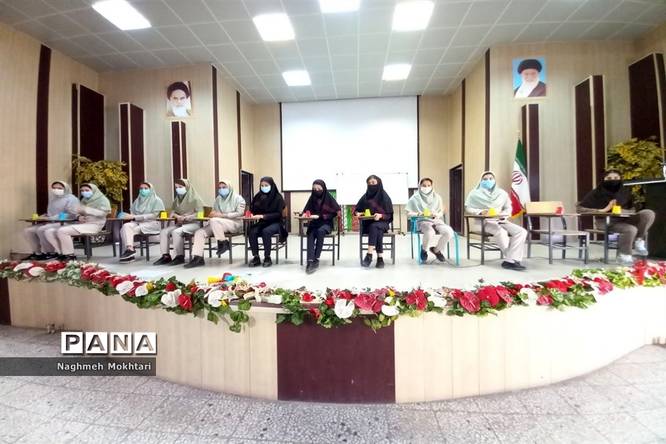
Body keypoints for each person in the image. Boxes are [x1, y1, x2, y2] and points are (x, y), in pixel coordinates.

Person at [578, 169, 655, 265]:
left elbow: (633, 209)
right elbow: (580, 209)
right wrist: (604, 209)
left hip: (625, 219)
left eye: (616, 178)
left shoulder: (625, 192)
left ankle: (639, 240)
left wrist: (623, 211)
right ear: (603, 179)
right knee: (630, 229)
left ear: (620, 179)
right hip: (605, 221)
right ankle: (624, 255)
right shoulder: (596, 193)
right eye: (609, 178)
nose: (613, 180)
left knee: (648, 213)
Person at [465, 171, 527, 270]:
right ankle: (511, 260)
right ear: (481, 181)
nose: (488, 181)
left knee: (521, 231)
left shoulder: (502, 193)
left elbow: (508, 208)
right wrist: (480, 212)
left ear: (494, 180)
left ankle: (510, 259)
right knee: (501, 231)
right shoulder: (474, 194)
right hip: (483, 222)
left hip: (501, 219)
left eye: (491, 179)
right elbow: (468, 208)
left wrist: (504, 214)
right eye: (485, 179)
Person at [185, 179, 246, 268]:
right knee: (199, 232)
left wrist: (222, 215)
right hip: (217, 224)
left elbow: (240, 213)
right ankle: (198, 258)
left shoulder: (238, 198)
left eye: (224, 187)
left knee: (214, 221)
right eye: (220, 188)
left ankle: (223, 242)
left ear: (230, 188)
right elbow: (213, 212)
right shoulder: (218, 199)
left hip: (234, 223)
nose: (221, 189)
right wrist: (212, 214)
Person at [44, 183, 111, 261]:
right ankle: (61, 253)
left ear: (94, 190)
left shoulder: (103, 200)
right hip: (81, 224)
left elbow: (104, 213)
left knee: (62, 231)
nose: (84, 192)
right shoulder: (84, 200)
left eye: (87, 190)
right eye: (82, 190)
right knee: (49, 232)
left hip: (94, 225)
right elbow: (77, 212)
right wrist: (79, 217)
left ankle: (70, 255)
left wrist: (87, 210)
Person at [153, 179, 204, 266]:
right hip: (181, 223)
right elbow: (172, 213)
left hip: (194, 224)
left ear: (187, 187)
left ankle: (179, 256)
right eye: (176, 187)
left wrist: (188, 217)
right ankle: (166, 256)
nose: (178, 189)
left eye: (180, 187)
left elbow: (200, 213)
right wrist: (178, 216)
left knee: (176, 232)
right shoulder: (177, 200)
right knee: (164, 232)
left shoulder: (196, 199)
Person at [24, 180, 79, 260]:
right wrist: (42, 217)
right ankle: (37, 253)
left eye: (59, 188)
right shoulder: (53, 198)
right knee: (28, 230)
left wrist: (52, 218)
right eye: (54, 188)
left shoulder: (72, 199)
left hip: (67, 222)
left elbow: (72, 214)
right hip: (52, 222)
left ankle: (50, 252)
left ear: (66, 188)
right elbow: (51, 213)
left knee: (41, 229)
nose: (56, 190)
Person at [406, 178, 454, 263]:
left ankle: (436, 250)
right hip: (422, 221)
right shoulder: (414, 198)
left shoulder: (437, 197)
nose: (426, 187)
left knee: (449, 232)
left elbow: (441, 212)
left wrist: (437, 214)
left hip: (436, 221)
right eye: (424, 185)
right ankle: (424, 250)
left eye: (429, 185)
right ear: (420, 186)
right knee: (430, 232)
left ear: (432, 186)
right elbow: (408, 213)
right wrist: (419, 214)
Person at [118, 182, 165, 263]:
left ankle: (129, 254)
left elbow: (154, 215)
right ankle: (130, 249)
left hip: (151, 223)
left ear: (151, 189)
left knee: (128, 230)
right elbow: (133, 213)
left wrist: (135, 217)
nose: (143, 190)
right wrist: (127, 216)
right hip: (137, 222)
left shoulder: (157, 200)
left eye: (146, 188)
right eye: (141, 188)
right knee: (125, 226)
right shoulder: (137, 201)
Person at [301, 179, 341, 274]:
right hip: (314, 223)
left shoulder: (329, 198)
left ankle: (316, 258)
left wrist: (321, 216)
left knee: (320, 231)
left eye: (319, 188)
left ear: (323, 188)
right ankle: (310, 261)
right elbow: (306, 210)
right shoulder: (312, 198)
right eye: (314, 189)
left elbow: (335, 213)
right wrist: (304, 214)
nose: (316, 190)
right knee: (310, 233)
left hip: (326, 224)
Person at [247, 177, 287, 268]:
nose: (264, 187)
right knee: (252, 231)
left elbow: (278, 214)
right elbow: (253, 209)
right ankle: (256, 256)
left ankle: (267, 257)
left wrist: (263, 216)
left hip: (276, 222)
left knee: (266, 231)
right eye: (262, 185)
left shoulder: (278, 197)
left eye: (266, 185)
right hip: (262, 222)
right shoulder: (258, 196)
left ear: (271, 185)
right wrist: (251, 214)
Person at [355, 175, 393, 268]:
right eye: (369, 183)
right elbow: (356, 210)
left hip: (383, 223)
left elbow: (389, 215)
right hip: (368, 224)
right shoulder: (365, 197)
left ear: (378, 183)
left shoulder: (385, 197)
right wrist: (358, 213)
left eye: (373, 182)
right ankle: (380, 258)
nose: (371, 185)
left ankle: (369, 255)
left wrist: (381, 215)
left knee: (375, 226)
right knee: (376, 229)